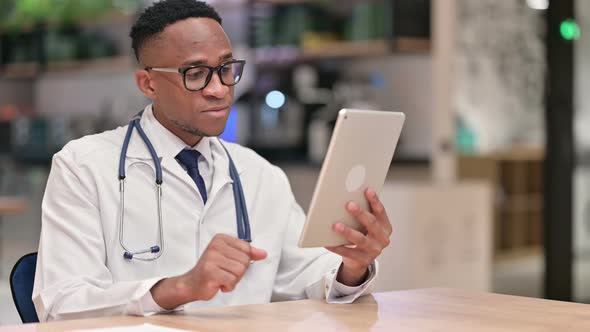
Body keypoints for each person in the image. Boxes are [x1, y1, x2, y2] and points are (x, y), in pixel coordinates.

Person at [32, 0, 393, 322]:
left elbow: (312, 279)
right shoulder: (83, 167)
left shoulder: (260, 174)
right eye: (195, 73)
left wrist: (353, 265)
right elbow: (60, 304)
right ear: (148, 83)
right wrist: (178, 288)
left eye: (226, 69)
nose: (219, 88)